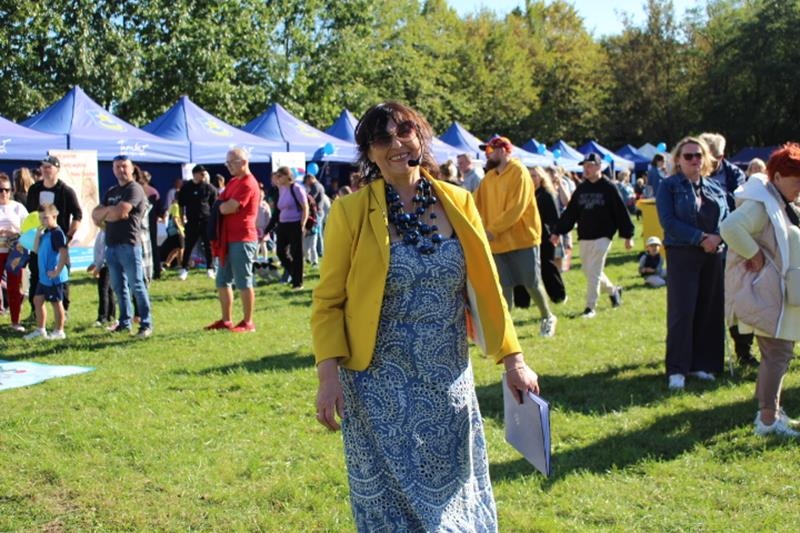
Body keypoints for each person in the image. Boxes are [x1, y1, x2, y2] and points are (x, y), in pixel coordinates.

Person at [311, 101, 539, 531]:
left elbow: (489, 288)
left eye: (404, 132)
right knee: (392, 512)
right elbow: (328, 302)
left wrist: (515, 360)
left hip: (447, 379)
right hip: (376, 386)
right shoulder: (350, 212)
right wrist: (327, 378)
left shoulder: (460, 201)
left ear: (420, 137)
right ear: (369, 153)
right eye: (382, 139)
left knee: (452, 502)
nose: (396, 144)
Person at [719, 143, 800, 437]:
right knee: (777, 354)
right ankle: (767, 420)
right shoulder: (761, 203)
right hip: (768, 293)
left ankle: (771, 412)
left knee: (777, 354)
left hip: (779, 294)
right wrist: (754, 255)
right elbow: (730, 228)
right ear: (777, 176)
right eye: (797, 180)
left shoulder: (780, 202)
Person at [656, 137, 729, 390]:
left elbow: (727, 216)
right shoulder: (669, 186)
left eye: (699, 155)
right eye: (688, 156)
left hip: (713, 253)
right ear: (678, 160)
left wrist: (718, 237)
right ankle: (677, 369)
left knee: (709, 309)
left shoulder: (714, 187)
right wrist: (699, 238)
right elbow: (668, 221)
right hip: (682, 253)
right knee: (682, 311)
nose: (694, 160)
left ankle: (702, 364)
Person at [474, 136, 557, 337]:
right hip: (497, 243)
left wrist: (492, 230)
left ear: (503, 150)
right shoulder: (489, 178)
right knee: (504, 286)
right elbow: (474, 202)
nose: (487, 155)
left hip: (522, 239)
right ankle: (505, 329)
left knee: (531, 283)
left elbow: (516, 207)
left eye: (490, 151)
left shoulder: (519, 172)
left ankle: (547, 316)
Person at [552, 153, 634, 318]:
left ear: (599, 167)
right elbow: (571, 213)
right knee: (589, 271)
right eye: (584, 166)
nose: (586, 169)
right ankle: (613, 291)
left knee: (594, 271)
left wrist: (628, 236)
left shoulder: (609, 188)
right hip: (584, 236)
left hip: (603, 236)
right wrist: (558, 231)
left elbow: (621, 212)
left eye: (589, 166)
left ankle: (590, 307)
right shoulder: (581, 189)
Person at [701, 132, 757, 367]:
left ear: (721, 156)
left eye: (710, 156)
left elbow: (741, 210)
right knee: (707, 301)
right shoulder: (691, 175)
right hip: (701, 245)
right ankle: (704, 352)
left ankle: (743, 350)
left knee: (737, 300)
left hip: (732, 247)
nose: (703, 160)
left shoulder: (735, 176)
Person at [91, 155, 153, 339]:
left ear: (132, 169)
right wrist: (110, 212)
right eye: (117, 167)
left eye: (124, 166)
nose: (121, 170)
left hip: (129, 244)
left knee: (137, 285)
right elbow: (95, 215)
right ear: (113, 169)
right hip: (111, 245)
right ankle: (124, 322)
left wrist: (109, 213)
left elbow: (120, 212)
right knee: (119, 287)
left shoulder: (135, 189)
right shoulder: (111, 191)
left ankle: (146, 324)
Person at [205, 147, 259, 332]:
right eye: (227, 163)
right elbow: (220, 202)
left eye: (231, 163)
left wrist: (222, 205)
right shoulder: (234, 182)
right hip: (227, 238)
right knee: (222, 280)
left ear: (244, 162)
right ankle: (226, 320)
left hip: (242, 238)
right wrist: (222, 205)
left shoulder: (248, 183)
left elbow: (228, 207)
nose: (228, 166)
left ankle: (248, 322)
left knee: (243, 281)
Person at [26, 156, 82, 316]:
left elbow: (77, 215)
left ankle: (64, 310)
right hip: (39, 238)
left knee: (60, 274)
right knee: (35, 273)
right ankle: (35, 311)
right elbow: (29, 213)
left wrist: (68, 237)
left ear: (57, 169)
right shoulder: (34, 189)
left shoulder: (65, 191)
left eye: (49, 167)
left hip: (57, 239)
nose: (45, 170)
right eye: (43, 166)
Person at [23, 203, 69, 340]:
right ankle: (40, 330)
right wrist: (38, 234)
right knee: (37, 300)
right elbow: (36, 250)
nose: (42, 221)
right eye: (40, 218)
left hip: (53, 277)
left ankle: (59, 331)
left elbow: (64, 253)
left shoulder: (57, 234)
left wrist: (57, 271)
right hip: (44, 277)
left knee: (56, 303)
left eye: (45, 218)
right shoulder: (46, 233)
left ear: (55, 216)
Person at [530, 166, 566, 303]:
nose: (532, 178)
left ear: (541, 177)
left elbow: (554, 217)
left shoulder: (546, 194)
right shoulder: (529, 193)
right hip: (531, 236)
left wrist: (555, 234)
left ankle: (559, 295)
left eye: (535, 175)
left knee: (548, 266)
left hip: (546, 235)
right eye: (530, 176)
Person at [177, 165, 217, 280]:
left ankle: (210, 268)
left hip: (206, 220)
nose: (204, 176)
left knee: (208, 245)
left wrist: (213, 221)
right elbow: (181, 205)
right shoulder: (186, 187)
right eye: (202, 174)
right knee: (189, 245)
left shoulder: (209, 188)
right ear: (195, 174)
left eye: (204, 174)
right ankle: (184, 269)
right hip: (192, 221)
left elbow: (214, 205)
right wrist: (181, 219)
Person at [0, 172, 29, 331]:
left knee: (14, 286)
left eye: (7, 190)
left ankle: (15, 322)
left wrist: (14, 232)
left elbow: (28, 230)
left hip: (14, 251)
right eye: (0, 190)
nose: (4, 193)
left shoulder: (18, 207)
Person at [273, 166, 308, 290]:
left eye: (280, 176)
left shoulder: (296, 188)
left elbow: (305, 207)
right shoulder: (281, 189)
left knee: (296, 253)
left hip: (295, 223)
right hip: (283, 224)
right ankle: (295, 273)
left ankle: (298, 283)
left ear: (287, 176)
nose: (278, 178)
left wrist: (302, 224)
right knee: (280, 252)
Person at [87, 227, 116, 328]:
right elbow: (99, 252)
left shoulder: (106, 233)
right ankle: (110, 315)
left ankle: (102, 317)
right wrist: (94, 263)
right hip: (103, 265)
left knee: (103, 290)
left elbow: (104, 253)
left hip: (105, 266)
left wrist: (98, 266)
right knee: (108, 290)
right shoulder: (102, 232)